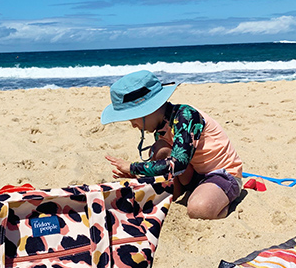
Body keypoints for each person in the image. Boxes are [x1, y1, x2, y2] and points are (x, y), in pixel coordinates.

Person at [101, 70, 243, 220]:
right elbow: (170, 161)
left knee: (198, 209)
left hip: (222, 174)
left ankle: (223, 201)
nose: (133, 125)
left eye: (133, 118)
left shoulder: (186, 116)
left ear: (149, 109)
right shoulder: (161, 126)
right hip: (192, 173)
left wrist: (132, 166)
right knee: (160, 149)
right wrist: (139, 176)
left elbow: (178, 164)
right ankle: (190, 191)